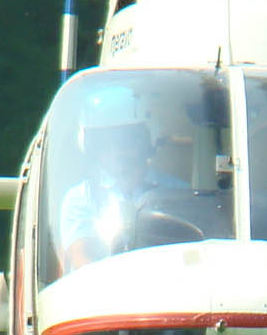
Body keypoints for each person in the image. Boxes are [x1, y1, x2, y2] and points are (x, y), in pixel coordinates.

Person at [57, 85, 188, 273]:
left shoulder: (179, 194)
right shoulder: (80, 198)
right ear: (91, 146)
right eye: (104, 142)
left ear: (147, 139)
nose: (117, 151)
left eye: (127, 138)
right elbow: (82, 262)